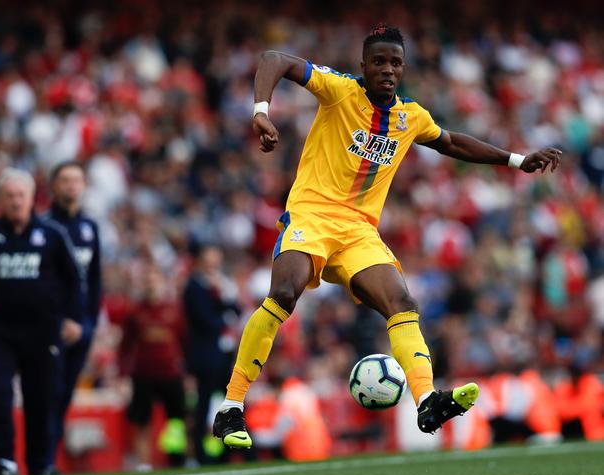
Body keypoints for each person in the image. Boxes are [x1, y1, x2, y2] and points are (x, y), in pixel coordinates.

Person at [213, 24, 562, 449]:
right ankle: (231, 407)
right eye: (378, 62)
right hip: (312, 215)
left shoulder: (409, 116)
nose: (387, 70)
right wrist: (260, 110)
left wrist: (517, 160)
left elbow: (450, 142)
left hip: (359, 232)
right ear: (363, 66)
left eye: (395, 63)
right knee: (284, 293)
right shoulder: (340, 90)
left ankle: (427, 400)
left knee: (402, 302)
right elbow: (274, 59)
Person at [0, 168, 83, 475]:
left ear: (31, 198)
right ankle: (3, 462)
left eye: (20, 196)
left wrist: (74, 318)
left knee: (40, 397)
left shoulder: (52, 235)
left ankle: (40, 464)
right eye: (9, 196)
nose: (15, 201)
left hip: (43, 330)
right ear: (0, 199)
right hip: (0, 331)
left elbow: (74, 280)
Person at [44, 161, 102, 470]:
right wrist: (57, 322)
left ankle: (48, 460)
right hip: (49, 328)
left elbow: (94, 281)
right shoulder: (42, 227)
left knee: (64, 394)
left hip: (81, 328)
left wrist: (89, 324)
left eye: (76, 180)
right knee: (47, 393)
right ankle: (43, 460)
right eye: (64, 180)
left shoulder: (89, 228)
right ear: (53, 185)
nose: (71, 185)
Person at [118, 264, 188, 470]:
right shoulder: (134, 312)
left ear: (162, 284)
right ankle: (143, 463)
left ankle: (179, 459)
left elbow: (185, 340)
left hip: (170, 372)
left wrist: (187, 371)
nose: (151, 286)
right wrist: (122, 374)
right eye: (147, 281)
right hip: (143, 373)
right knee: (142, 421)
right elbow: (125, 345)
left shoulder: (175, 310)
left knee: (176, 420)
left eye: (154, 281)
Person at [183, 245, 240, 464]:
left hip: (222, 353)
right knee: (204, 404)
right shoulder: (194, 286)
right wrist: (225, 317)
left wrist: (225, 298)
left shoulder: (222, 284)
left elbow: (235, 310)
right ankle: (199, 452)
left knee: (228, 401)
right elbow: (204, 319)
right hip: (205, 355)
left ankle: (229, 449)